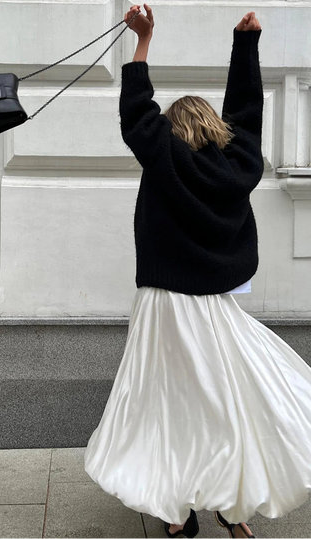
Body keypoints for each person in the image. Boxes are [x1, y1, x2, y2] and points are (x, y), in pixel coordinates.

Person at [84, 5, 311, 539]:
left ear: (173, 127)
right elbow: (248, 113)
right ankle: (234, 514)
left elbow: (136, 112)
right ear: (214, 128)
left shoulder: (162, 153)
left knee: (168, 409)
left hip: (164, 305)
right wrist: (245, 46)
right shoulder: (239, 165)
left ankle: (176, 511)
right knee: (228, 406)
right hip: (215, 307)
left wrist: (143, 40)